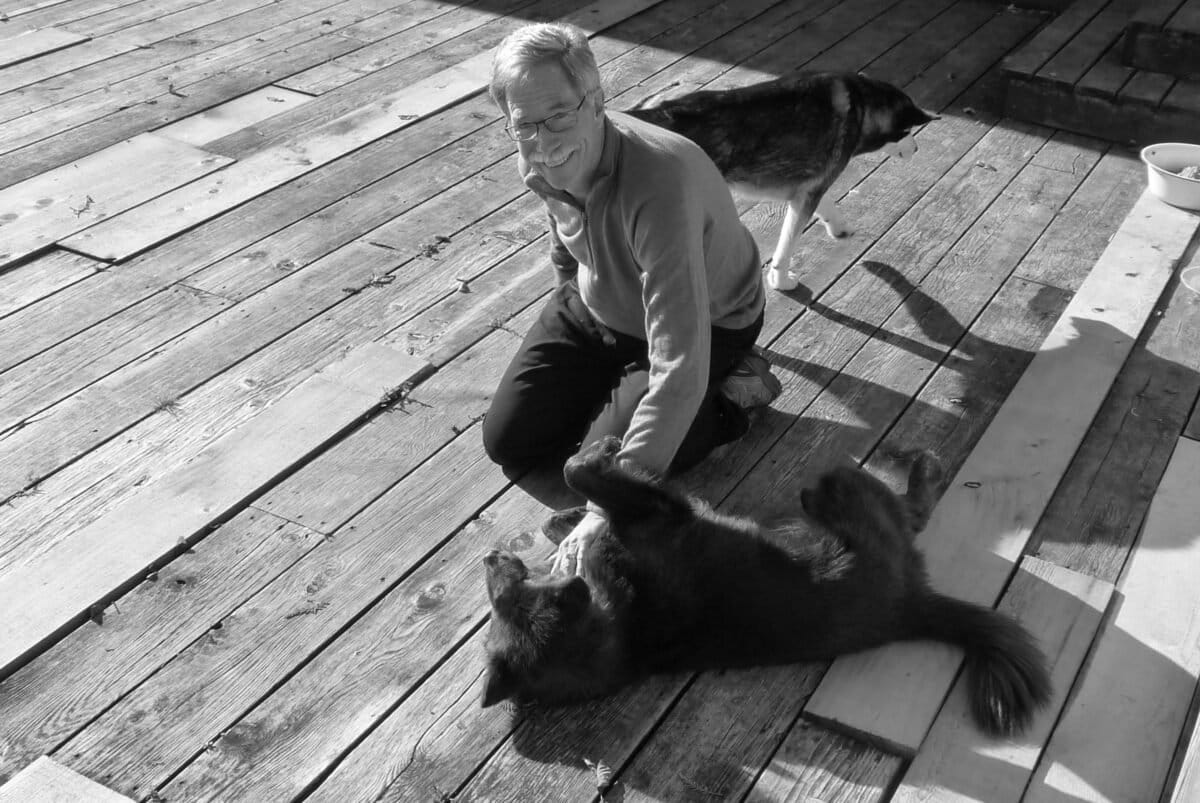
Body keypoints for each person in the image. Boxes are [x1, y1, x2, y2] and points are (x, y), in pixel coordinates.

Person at [480, 22, 782, 576]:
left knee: (594, 469)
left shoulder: (658, 186)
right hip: (600, 297)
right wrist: (567, 321)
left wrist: (607, 505)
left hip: (709, 318)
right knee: (509, 441)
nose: (543, 144)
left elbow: (680, 359)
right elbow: (564, 230)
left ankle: (735, 398)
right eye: (523, 125)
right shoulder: (539, 148)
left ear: (595, 102)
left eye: (558, 118)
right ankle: (619, 380)